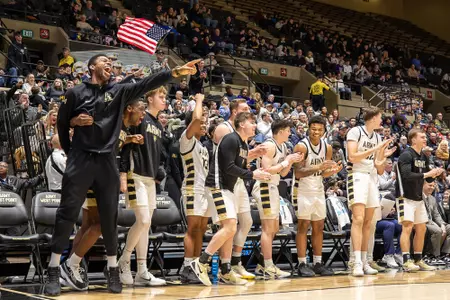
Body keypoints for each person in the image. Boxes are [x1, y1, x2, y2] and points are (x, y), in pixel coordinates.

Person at [45, 53, 199, 296]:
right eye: (104, 61)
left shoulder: (119, 91)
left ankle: (113, 269)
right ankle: (54, 269)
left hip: (107, 161)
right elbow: (62, 126)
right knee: (66, 213)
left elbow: (145, 83)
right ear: (91, 66)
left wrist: (175, 73)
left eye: (111, 63)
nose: (109, 64)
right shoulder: (75, 93)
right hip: (81, 158)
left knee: (109, 218)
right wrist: (72, 142)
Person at [60, 99, 146, 291]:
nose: (144, 114)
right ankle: (71, 265)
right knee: (101, 225)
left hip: (92, 173)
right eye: (141, 109)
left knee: (88, 225)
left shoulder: (123, 129)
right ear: (129, 108)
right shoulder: (114, 122)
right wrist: (74, 121)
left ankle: (71, 270)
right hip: (95, 174)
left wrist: (129, 140)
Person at [191, 112, 271, 286]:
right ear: (242, 124)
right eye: (252, 122)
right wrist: (252, 174)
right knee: (229, 226)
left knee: (230, 228)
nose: (254, 126)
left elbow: (239, 167)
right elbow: (228, 167)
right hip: (216, 186)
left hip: (227, 188)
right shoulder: (230, 139)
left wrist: (255, 168)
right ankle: (201, 262)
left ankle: (226, 271)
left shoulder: (243, 144)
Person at [116, 87, 171, 287]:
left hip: (149, 178)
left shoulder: (158, 124)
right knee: (144, 220)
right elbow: (126, 146)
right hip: (135, 174)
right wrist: (123, 174)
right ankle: (124, 260)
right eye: (161, 96)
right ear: (149, 99)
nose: (164, 99)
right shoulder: (140, 117)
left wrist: (158, 172)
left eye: (165, 97)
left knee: (146, 225)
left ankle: (142, 271)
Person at [210, 98, 268, 279]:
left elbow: (240, 159)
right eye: (245, 110)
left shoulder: (243, 139)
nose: (249, 112)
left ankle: (235, 263)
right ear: (236, 113)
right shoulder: (224, 129)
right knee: (229, 224)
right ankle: (224, 266)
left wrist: (254, 154)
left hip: (237, 179)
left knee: (246, 222)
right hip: (223, 180)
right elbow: (227, 159)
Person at [346, 107, 396, 277]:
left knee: (369, 222)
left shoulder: (377, 137)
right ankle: (356, 262)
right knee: (358, 219)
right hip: (357, 176)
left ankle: (365, 260)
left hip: (371, 178)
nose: (382, 121)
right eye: (380, 117)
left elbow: (380, 170)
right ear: (373, 118)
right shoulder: (355, 131)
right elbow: (352, 156)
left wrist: (383, 157)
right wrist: (376, 149)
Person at [253, 119, 303, 278]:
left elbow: (282, 173)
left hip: (273, 187)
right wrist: (286, 161)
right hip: (264, 186)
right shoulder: (269, 145)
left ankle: (263, 264)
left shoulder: (283, 146)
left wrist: (291, 161)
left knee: (274, 228)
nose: (290, 133)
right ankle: (267, 266)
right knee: (268, 229)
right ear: (281, 130)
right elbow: (266, 170)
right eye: (288, 130)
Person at [293, 116, 342, 277]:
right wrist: (319, 167)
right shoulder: (301, 146)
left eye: (320, 129)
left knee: (319, 227)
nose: (316, 132)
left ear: (324, 131)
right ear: (308, 128)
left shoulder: (327, 147)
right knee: (303, 226)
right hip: (302, 190)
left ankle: (318, 262)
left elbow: (323, 172)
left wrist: (331, 171)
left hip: (318, 189)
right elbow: (298, 173)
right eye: (313, 129)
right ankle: (301, 263)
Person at [396, 128, 443, 272]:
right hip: (405, 196)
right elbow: (406, 176)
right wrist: (427, 174)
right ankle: (406, 260)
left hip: (418, 197)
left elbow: (427, 177)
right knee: (408, 227)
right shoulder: (406, 155)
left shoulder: (424, 157)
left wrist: (435, 174)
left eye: (425, 137)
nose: (425, 139)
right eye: (422, 137)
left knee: (421, 228)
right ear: (413, 139)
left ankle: (418, 259)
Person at [179, 94, 211, 283]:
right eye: (202, 122)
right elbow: (197, 118)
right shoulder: (187, 139)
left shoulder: (203, 146)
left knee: (201, 229)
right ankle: (186, 265)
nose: (204, 124)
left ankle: (196, 266)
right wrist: (199, 100)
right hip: (191, 189)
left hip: (204, 191)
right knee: (192, 229)